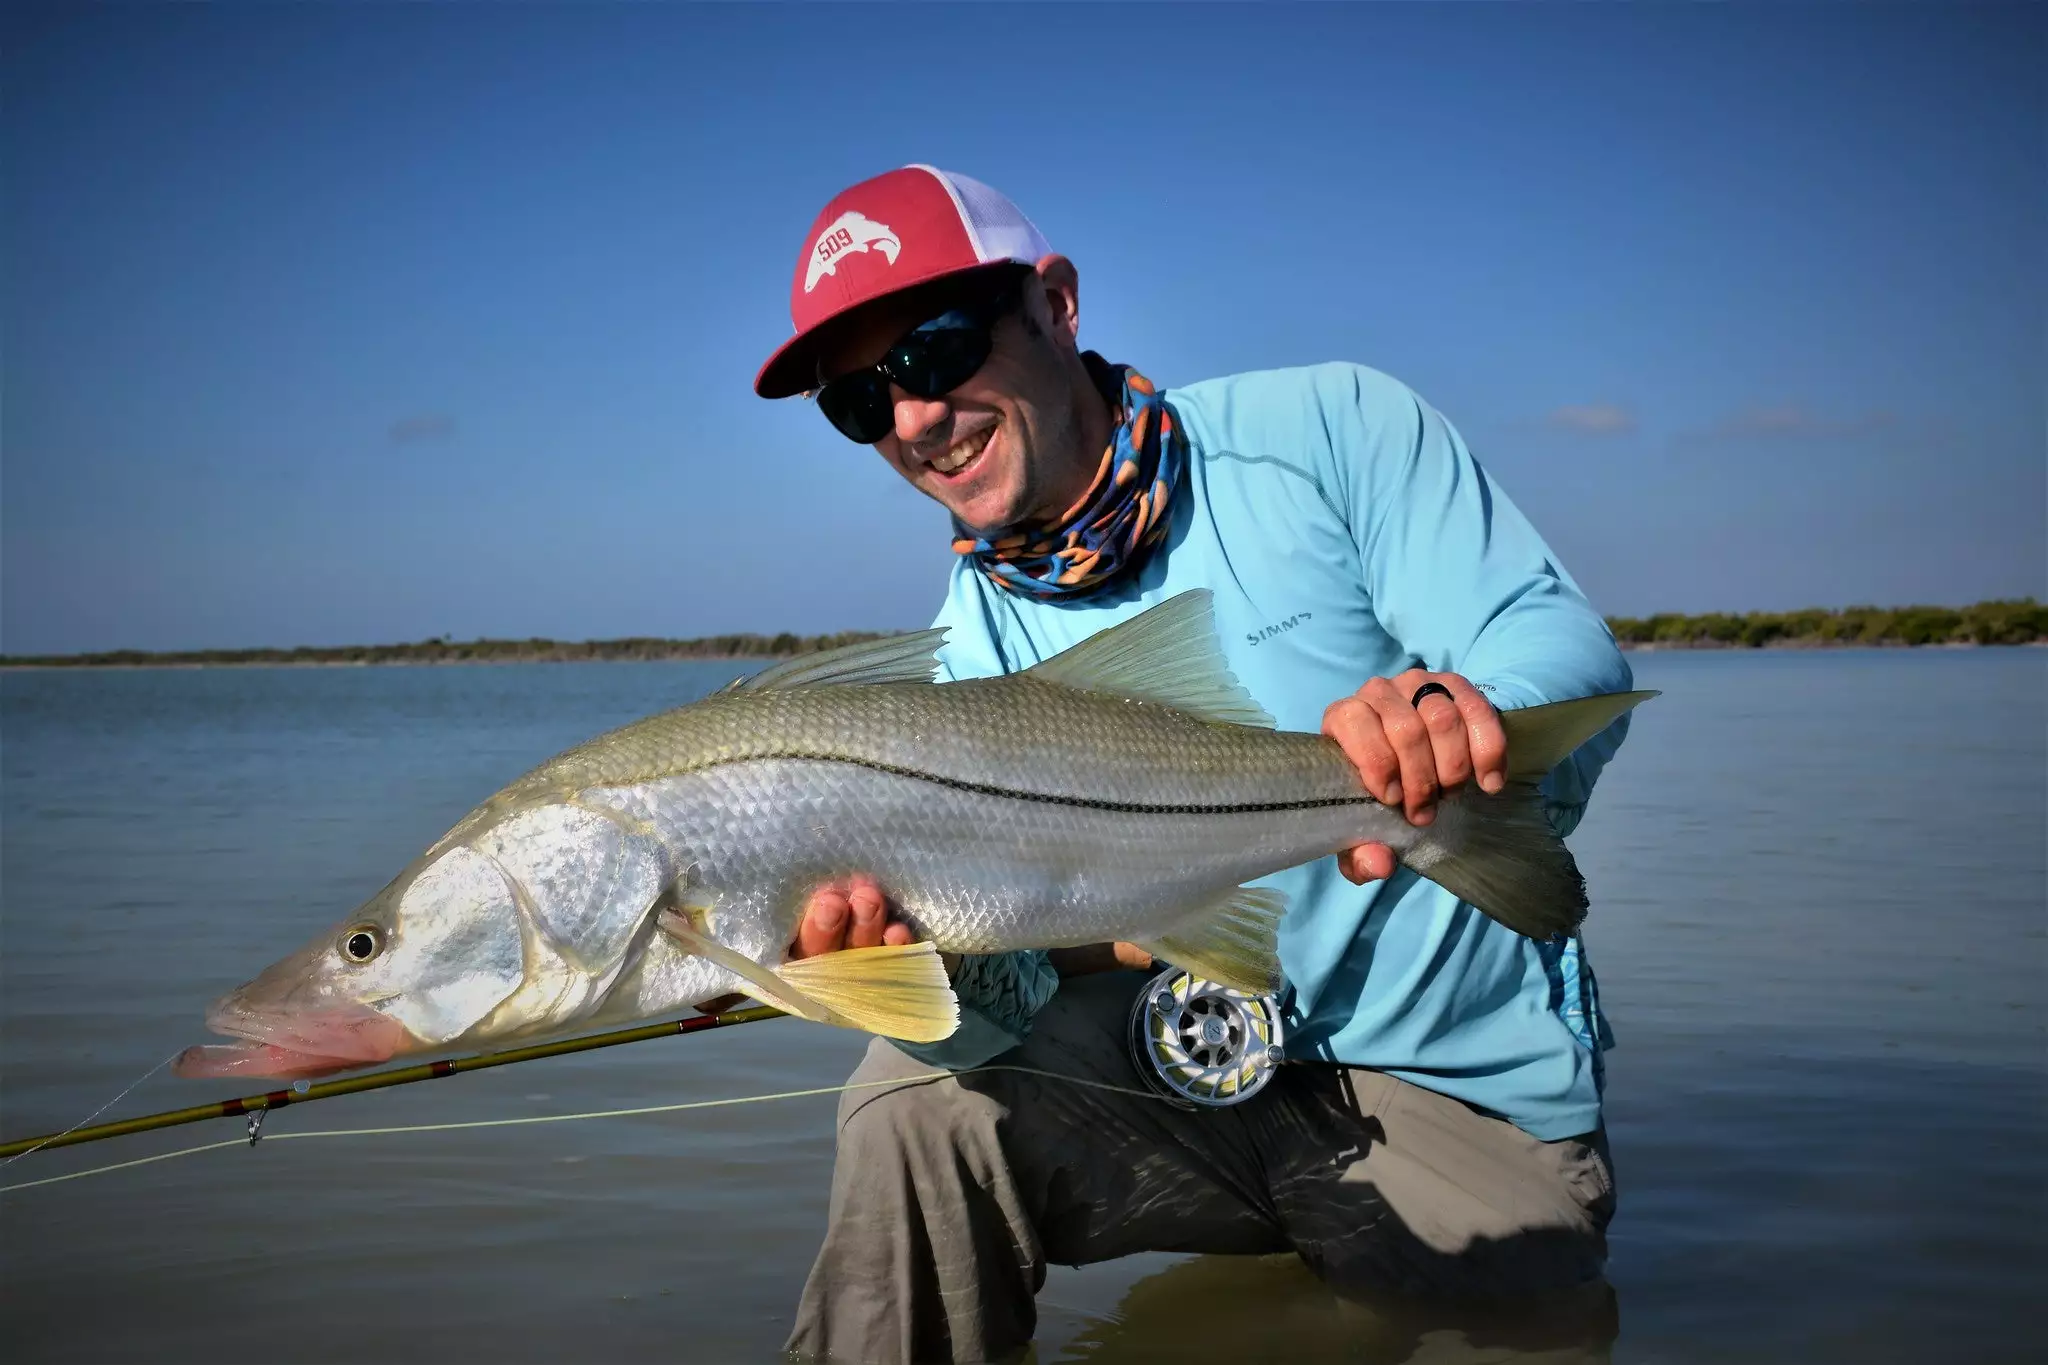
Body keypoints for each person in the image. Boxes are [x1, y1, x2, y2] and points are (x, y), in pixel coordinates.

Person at [749, 165, 1635, 1365]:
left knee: (1522, 1318)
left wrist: (1465, 707)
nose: (912, 419)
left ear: (1056, 305)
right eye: (858, 402)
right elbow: (1011, 1002)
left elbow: (1554, 645)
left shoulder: (1327, 427)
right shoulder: (969, 642)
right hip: (1173, 1075)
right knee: (906, 1102)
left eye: (937, 351)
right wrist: (905, 977)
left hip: (1443, 1073)